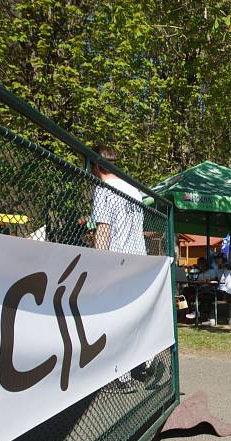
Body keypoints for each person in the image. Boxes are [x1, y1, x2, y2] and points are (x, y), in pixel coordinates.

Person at [90, 144, 152, 392]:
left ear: (95, 165)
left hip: (116, 262)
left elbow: (103, 230)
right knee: (136, 316)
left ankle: (121, 377)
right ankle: (144, 363)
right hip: (139, 258)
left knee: (113, 319)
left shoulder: (103, 189)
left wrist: (97, 265)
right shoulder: (133, 189)